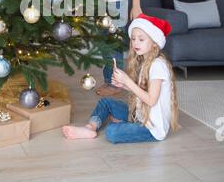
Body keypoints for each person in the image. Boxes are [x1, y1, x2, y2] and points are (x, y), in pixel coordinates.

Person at [62, 14, 179, 144]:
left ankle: (124, 123)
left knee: (111, 132)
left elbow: (151, 100)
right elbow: (140, 91)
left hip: (152, 127)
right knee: (105, 102)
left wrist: (127, 81)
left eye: (141, 39)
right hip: (139, 115)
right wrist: (123, 85)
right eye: (133, 39)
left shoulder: (158, 65)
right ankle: (90, 128)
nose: (135, 43)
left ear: (154, 44)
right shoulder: (143, 60)